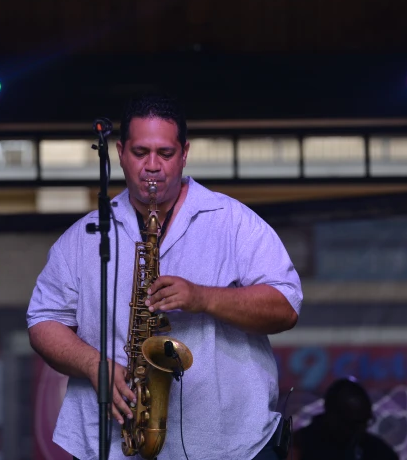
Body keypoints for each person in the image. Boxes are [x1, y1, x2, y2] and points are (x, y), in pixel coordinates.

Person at [27, 94, 302, 460]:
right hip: (109, 445)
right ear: (121, 152)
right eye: (140, 153)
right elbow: (43, 320)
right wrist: (94, 365)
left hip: (229, 445)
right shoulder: (84, 235)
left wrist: (204, 298)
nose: (152, 166)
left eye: (166, 154)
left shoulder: (233, 221)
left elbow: (286, 306)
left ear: (185, 153)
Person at [293, 378, 399, 460]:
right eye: (355, 424)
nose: (361, 429)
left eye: (365, 422)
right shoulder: (299, 446)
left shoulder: (377, 451)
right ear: (333, 418)